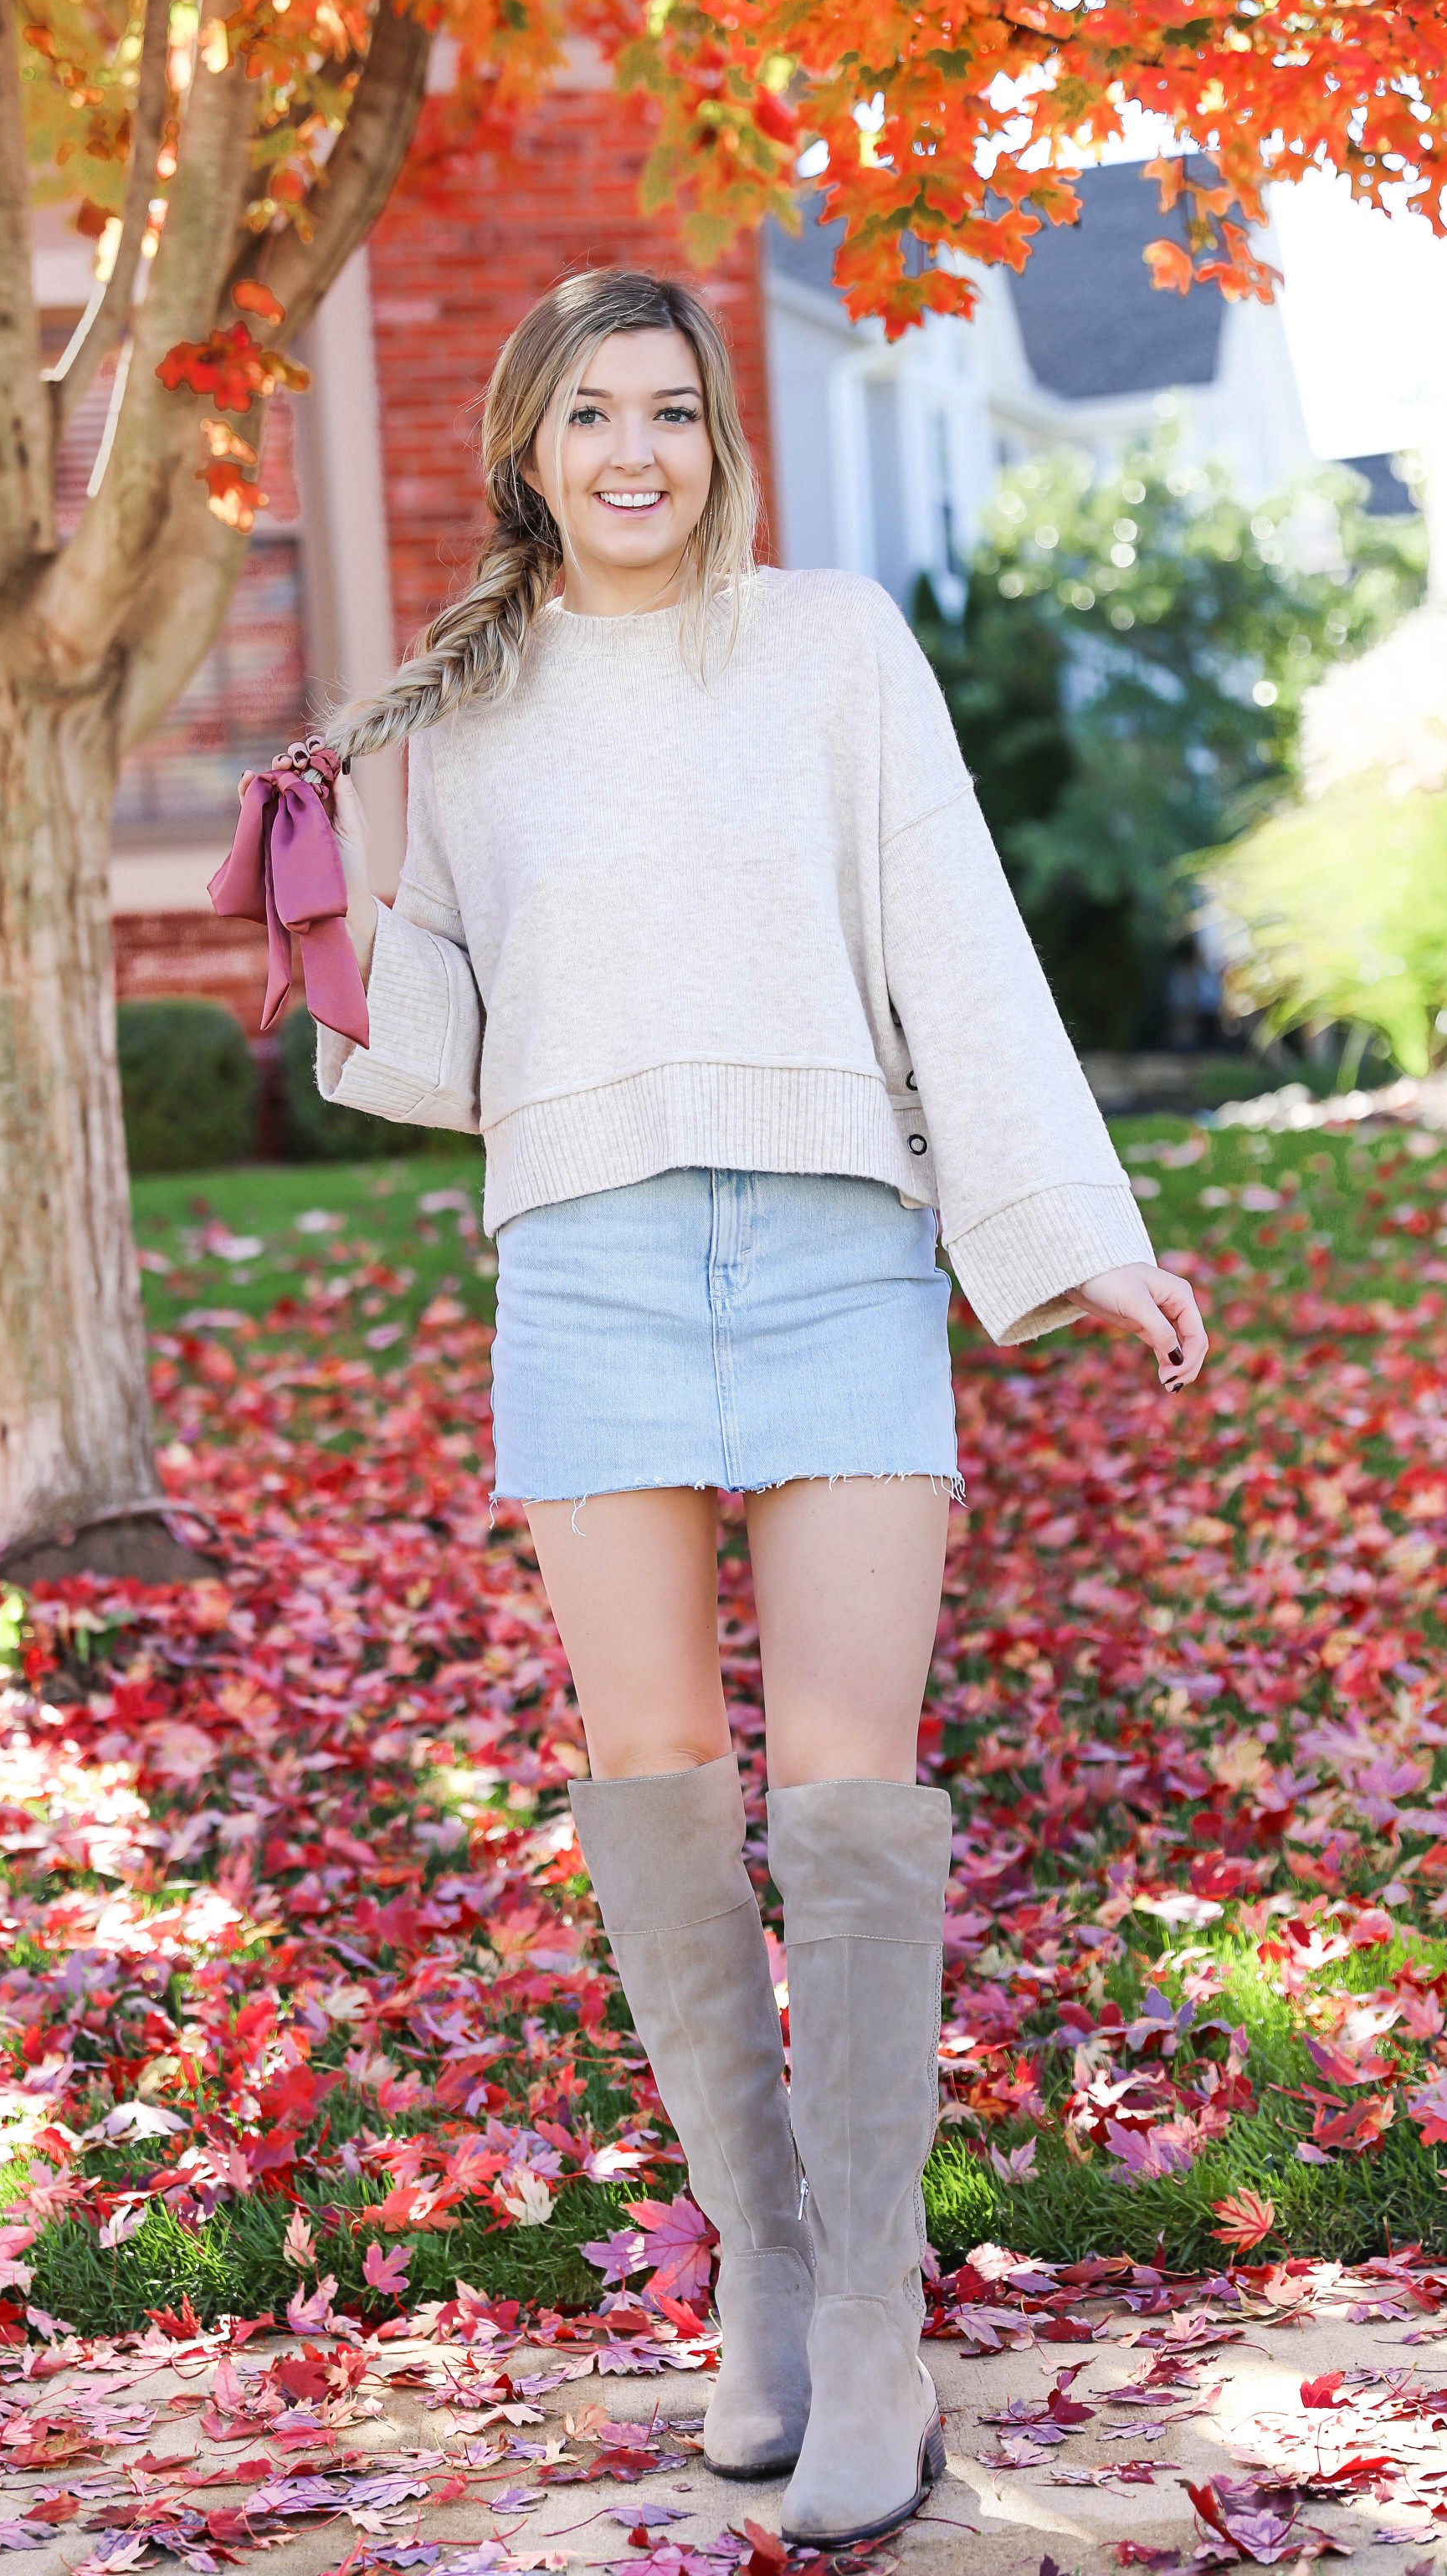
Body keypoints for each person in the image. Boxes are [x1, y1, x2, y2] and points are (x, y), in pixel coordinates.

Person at [305, 266, 1208, 2546]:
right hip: (594, 1261)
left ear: (721, 442)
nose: (638, 451)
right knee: (654, 1778)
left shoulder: (830, 651)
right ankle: (772, 2295)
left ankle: (885, 2339)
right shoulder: (471, 701)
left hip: (831, 1242)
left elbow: (953, 936)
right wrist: (326, 900)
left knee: (849, 1787)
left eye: (676, 412)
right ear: (525, 446)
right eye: (593, 414)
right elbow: (440, 1051)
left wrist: (1075, 1232)